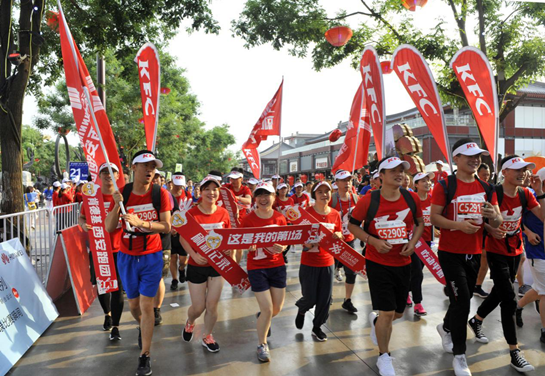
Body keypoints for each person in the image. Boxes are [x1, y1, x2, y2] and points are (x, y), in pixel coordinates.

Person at [430, 139, 502, 376]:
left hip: (474, 253)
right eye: (469, 155)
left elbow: (497, 219)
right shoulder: (445, 186)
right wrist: (458, 226)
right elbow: (434, 218)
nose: (475, 159)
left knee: (464, 297)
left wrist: (494, 217)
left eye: (478, 156)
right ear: (457, 158)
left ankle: (446, 327)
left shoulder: (487, 188)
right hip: (451, 253)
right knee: (463, 303)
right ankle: (460, 356)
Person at [348, 157, 424, 376]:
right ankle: (384, 356)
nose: (399, 174)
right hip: (377, 263)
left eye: (402, 170)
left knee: (397, 314)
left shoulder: (412, 198)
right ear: (381, 176)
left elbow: (420, 223)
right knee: (388, 312)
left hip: (403, 262)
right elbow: (352, 224)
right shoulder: (368, 200)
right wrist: (373, 241)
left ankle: (377, 321)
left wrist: (413, 243)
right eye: (393, 171)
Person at [467, 156, 541, 373]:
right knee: (509, 298)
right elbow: (492, 219)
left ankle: (477, 319)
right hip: (495, 250)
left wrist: (540, 191)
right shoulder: (494, 192)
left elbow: (542, 216)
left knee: (500, 292)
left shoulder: (526, 193)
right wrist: (493, 228)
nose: (523, 173)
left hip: (516, 250)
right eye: (518, 169)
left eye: (525, 170)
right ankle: (514, 351)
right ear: (505, 172)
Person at [106, 150, 172, 376]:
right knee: (134, 307)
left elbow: (167, 227)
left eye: (153, 166)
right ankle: (142, 327)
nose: (150, 170)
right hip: (126, 256)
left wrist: (142, 222)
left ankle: (145, 355)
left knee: (146, 305)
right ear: (134, 168)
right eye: (146, 165)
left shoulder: (159, 193)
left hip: (152, 254)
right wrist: (116, 205)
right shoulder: (122, 192)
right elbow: (109, 227)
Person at [180, 172, 231, 353]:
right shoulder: (192, 213)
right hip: (197, 266)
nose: (211, 193)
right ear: (200, 192)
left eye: (215, 190)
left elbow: (228, 237)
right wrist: (193, 254)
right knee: (198, 307)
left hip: (218, 265)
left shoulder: (224, 213)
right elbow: (183, 238)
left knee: (212, 305)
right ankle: (190, 322)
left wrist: (227, 249)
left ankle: (207, 335)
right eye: (207, 189)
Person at [241, 182, 288, 362]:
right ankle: (262, 345)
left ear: (274, 197)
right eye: (259, 195)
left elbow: (285, 241)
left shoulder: (279, 218)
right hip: (257, 268)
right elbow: (240, 241)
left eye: (266, 194)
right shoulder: (248, 219)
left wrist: (283, 247)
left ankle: (262, 317)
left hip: (277, 267)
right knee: (268, 309)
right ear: (255, 198)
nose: (263, 198)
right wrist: (248, 245)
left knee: (276, 309)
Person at [79, 163, 124, 341]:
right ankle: (107, 314)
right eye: (104, 172)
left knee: (118, 289)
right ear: (99, 176)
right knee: (103, 285)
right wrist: (83, 225)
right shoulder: (92, 197)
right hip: (99, 248)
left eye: (112, 172)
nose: (108, 175)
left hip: (120, 249)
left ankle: (116, 326)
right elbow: (82, 216)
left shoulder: (122, 196)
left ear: (118, 175)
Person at [295, 180, 342, 342]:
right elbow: (300, 237)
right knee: (310, 297)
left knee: (325, 299)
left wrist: (339, 236)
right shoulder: (306, 214)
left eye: (327, 191)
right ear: (314, 195)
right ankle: (302, 309)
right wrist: (306, 244)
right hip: (309, 263)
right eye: (320, 192)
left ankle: (317, 326)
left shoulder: (335, 214)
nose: (324, 195)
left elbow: (339, 232)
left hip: (328, 262)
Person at [517, 167, 545, 343]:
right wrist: (527, 232)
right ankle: (544, 330)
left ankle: (517, 306)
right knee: (544, 292)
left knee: (540, 289)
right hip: (538, 249)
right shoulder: (529, 196)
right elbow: (515, 218)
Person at [329, 169, 359, 313]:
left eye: (349, 180)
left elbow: (361, 217)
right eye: (344, 180)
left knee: (351, 272)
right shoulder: (332, 199)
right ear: (337, 183)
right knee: (329, 271)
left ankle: (347, 300)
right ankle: (327, 296)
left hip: (349, 240)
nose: (347, 183)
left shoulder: (355, 198)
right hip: (333, 241)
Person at [410, 171, 436, 316]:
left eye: (428, 180)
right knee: (417, 272)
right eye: (423, 181)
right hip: (414, 240)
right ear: (416, 185)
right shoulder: (412, 200)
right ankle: (418, 303)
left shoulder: (433, 199)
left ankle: (408, 291)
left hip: (427, 241)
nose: (428, 183)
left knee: (418, 270)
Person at [224, 168, 252, 264]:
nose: (233, 181)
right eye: (232, 178)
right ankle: (233, 268)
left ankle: (237, 266)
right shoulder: (227, 187)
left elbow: (249, 201)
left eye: (236, 179)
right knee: (232, 248)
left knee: (239, 248)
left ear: (241, 178)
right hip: (229, 220)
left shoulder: (245, 189)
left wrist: (235, 198)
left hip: (241, 221)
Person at [170, 172, 189, 290]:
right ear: (171, 183)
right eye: (176, 184)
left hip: (184, 233)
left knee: (183, 260)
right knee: (173, 257)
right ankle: (174, 279)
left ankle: (182, 269)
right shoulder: (166, 196)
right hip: (170, 232)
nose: (178, 187)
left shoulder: (188, 196)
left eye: (180, 185)